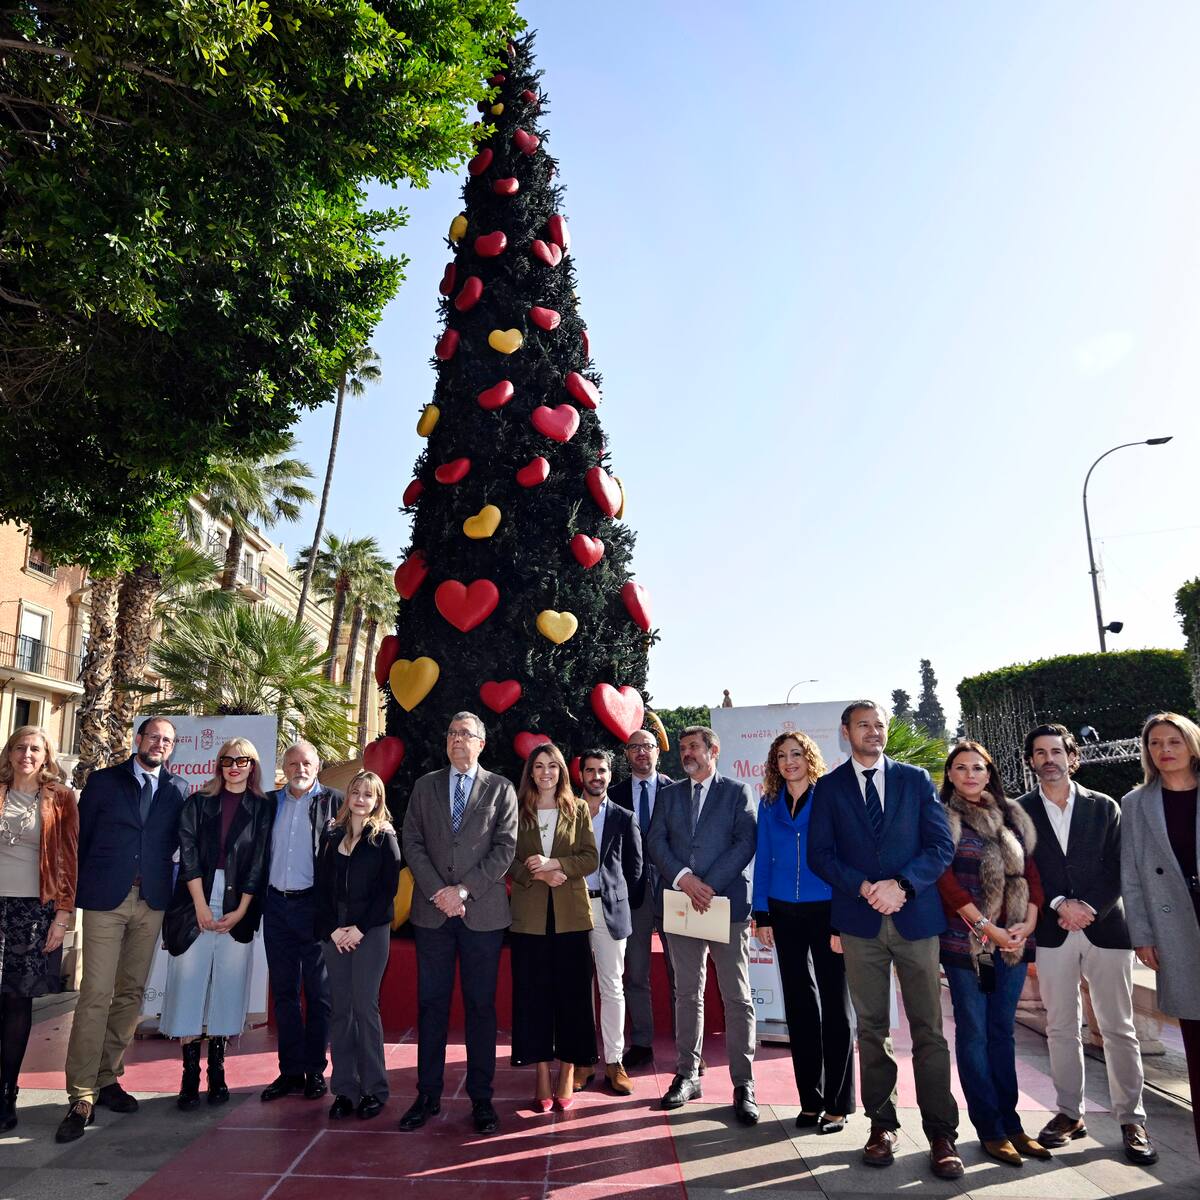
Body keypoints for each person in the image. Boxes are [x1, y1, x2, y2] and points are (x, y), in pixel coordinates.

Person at [807, 701, 962, 1180]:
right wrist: (863, 887)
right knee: (871, 1030)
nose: (873, 732)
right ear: (845, 732)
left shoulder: (915, 780)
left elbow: (940, 846)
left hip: (915, 919)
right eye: (864, 725)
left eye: (879, 725)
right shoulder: (829, 788)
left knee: (929, 1031)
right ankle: (882, 1125)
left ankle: (941, 1132)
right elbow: (820, 855)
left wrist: (903, 885)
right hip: (860, 924)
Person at [1017, 723, 1156, 1165]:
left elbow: (1121, 867)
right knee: (1060, 1027)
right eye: (1040, 753)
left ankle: (1132, 1119)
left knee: (1118, 1028)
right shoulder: (1019, 811)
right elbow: (1025, 870)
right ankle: (1068, 1113)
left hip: (1106, 928)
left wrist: (1088, 907)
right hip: (1054, 930)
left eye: (1056, 751)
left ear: (1072, 758)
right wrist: (1060, 903)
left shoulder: (1105, 806)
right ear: (1031, 762)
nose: (1049, 759)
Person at [57, 717, 187, 1143]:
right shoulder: (104, 782)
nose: (159, 744)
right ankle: (81, 1092)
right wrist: (72, 896)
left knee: (131, 993)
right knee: (96, 991)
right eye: (153, 736)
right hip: (105, 900)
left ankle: (109, 1077)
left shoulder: (176, 790)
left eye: (167, 740)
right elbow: (82, 838)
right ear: (139, 739)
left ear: (173, 747)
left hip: (150, 902)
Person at [400, 712, 518, 1135]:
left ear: (481, 743)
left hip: (481, 915)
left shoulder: (501, 788)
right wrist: (439, 892)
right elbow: (410, 839)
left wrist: (463, 891)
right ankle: (427, 1094)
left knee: (480, 1008)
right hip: (433, 914)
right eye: (451, 733)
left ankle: (481, 1099)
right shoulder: (425, 785)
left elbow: (505, 848)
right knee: (431, 1006)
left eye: (465, 734)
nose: (456, 740)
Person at [936, 741, 1050, 1166]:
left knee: (1002, 1033)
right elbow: (945, 882)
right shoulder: (940, 817)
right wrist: (987, 928)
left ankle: (1013, 1124)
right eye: (961, 767)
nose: (970, 774)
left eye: (978, 768)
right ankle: (990, 1128)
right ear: (950, 774)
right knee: (975, 1034)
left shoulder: (1011, 816)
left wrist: (1031, 920)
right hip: (967, 944)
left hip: (1014, 943)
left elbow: (1030, 872)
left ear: (989, 773)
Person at [646, 725, 759, 1124]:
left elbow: (746, 842)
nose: (686, 753)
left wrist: (707, 885)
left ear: (714, 750)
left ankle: (744, 1084)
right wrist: (684, 879)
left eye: (693, 746)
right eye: (682, 748)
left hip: (724, 904)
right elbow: (655, 842)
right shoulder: (669, 794)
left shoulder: (737, 792)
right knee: (687, 993)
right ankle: (687, 1074)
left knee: (736, 996)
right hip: (681, 904)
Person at [160, 738, 271, 1109]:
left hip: (240, 901)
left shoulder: (262, 808)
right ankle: (189, 1077)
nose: (234, 766)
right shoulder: (198, 803)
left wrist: (240, 910)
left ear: (253, 766)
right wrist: (200, 905)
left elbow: (258, 863)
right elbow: (188, 854)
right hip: (195, 898)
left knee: (227, 986)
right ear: (219, 765)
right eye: (227, 760)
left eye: (242, 760)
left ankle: (218, 1073)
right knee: (189, 986)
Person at [751, 731, 854, 1133]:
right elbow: (762, 860)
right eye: (781, 756)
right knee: (798, 1004)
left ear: (810, 758)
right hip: (781, 910)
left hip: (827, 909)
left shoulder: (829, 798)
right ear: (775, 764)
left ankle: (839, 1103)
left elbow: (843, 859)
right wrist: (762, 914)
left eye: (796, 753)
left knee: (835, 1002)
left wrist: (841, 919)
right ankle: (810, 1099)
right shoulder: (769, 802)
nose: (789, 761)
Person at [1120, 712, 1200, 1157]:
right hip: (1175, 929)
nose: (1164, 749)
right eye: (1154, 743)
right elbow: (1131, 874)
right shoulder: (1136, 802)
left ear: (1191, 744)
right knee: (1196, 1041)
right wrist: (1143, 933)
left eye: (1173, 741)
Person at [508, 743, 599, 1110]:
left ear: (562, 771)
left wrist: (555, 864)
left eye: (553, 766)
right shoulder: (517, 809)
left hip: (572, 918)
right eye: (539, 766)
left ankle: (567, 1072)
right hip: (529, 918)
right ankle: (542, 1072)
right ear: (531, 772)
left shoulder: (577, 809)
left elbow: (590, 856)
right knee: (534, 998)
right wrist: (537, 873)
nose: (546, 772)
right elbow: (505, 858)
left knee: (574, 997)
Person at [0, 726, 78, 1131]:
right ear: (9, 752)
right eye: (20, 747)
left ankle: (7, 1092)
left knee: (16, 1003)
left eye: (35, 749)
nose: (26, 755)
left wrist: (62, 919)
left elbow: (68, 862)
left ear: (46, 755)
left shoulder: (60, 798)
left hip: (32, 912)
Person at [314, 770, 401, 1121]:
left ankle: (374, 1090)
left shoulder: (385, 839)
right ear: (348, 797)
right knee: (340, 1010)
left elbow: (387, 892)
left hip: (370, 933)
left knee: (365, 1008)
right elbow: (320, 889)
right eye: (356, 792)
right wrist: (333, 930)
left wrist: (359, 929)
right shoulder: (331, 835)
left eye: (369, 794)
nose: (361, 799)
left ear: (377, 801)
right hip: (334, 933)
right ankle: (345, 1090)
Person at [260, 740, 343, 1103]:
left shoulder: (334, 802)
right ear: (284, 768)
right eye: (292, 763)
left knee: (319, 993)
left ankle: (315, 1071)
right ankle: (290, 1071)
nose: (299, 769)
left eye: (306, 762)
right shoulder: (267, 803)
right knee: (284, 992)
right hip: (275, 905)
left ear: (318, 765)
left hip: (315, 908)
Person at [578, 748, 643, 1095]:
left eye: (602, 770)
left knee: (612, 987)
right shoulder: (566, 811)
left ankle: (614, 1062)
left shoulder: (623, 817)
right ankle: (584, 1060)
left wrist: (617, 900)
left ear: (609, 773)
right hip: (572, 910)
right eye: (590, 770)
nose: (596, 776)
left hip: (609, 911)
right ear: (581, 775)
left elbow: (634, 870)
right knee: (578, 988)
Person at [609, 728, 674, 1070]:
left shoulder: (677, 791)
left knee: (682, 973)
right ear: (626, 754)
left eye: (647, 746)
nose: (641, 753)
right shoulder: (615, 794)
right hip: (632, 893)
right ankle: (643, 1043)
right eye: (634, 748)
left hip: (675, 891)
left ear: (657, 752)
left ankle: (687, 1048)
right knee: (635, 972)